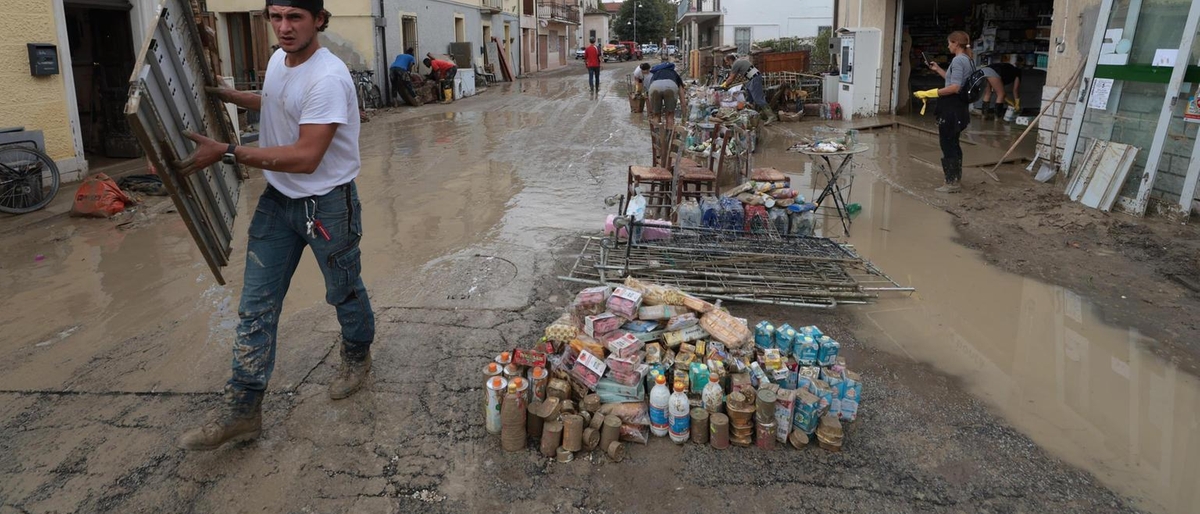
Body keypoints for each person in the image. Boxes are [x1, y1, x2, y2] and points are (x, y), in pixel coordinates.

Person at [174, 0, 375, 450]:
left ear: (319, 20)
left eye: (295, 18)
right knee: (255, 305)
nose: (283, 28)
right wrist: (228, 96)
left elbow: (306, 157)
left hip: (327, 205)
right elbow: (278, 101)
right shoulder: (278, 61)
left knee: (343, 289)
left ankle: (357, 356)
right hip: (277, 201)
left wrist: (227, 151)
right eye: (276, 17)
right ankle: (244, 410)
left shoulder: (328, 77)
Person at [919, 30, 974, 193]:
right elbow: (954, 81)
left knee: (947, 144)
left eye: (949, 43)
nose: (948, 46)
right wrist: (938, 69)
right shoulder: (968, 60)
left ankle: (951, 183)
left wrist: (931, 93)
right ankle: (956, 178)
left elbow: (955, 87)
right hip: (960, 108)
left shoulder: (958, 61)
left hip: (951, 108)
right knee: (954, 143)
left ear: (956, 43)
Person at [721, 54, 777, 123]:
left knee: (758, 99)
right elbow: (735, 77)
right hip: (752, 78)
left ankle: (771, 116)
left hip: (754, 78)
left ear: (730, 60)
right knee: (749, 98)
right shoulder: (739, 61)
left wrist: (724, 85)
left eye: (727, 62)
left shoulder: (736, 64)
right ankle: (753, 114)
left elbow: (731, 78)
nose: (727, 64)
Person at [646, 62, 684, 128]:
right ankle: (668, 135)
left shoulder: (655, 75)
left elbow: (648, 97)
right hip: (671, 86)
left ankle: (658, 135)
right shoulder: (674, 73)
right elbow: (682, 100)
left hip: (655, 86)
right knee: (670, 114)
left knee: (656, 115)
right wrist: (684, 117)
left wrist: (650, 112)